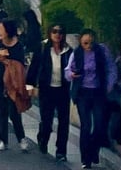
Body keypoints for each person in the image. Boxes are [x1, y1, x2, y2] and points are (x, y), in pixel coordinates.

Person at [65, 28, 118, 169]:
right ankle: (86, 159)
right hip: (83, 92)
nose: (89, 46)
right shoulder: (77, 53)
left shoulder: (102, 51)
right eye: (85, 43)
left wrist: (109, 86)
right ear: (81, 43)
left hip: (98, 91)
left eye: (91, 43)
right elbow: (68, 70)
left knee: (100, 125)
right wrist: (72, 75)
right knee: (86, 125)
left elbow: (111, 68)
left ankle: (93, 149)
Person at [27, 23, 72, 163]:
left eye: (60, 32)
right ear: (50, 33)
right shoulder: (42, 48)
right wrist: (29, 85)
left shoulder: (68, 51)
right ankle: (43, 138)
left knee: (64, 122)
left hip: (63, 90)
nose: (57, 34)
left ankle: (61, 151)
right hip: (47, 90)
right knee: (47, 121)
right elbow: (34, 66)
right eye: (54, 31)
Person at [0, 18, 30, 151]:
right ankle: (3, 140)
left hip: (13, 83)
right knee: (1, 111)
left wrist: (8, 61)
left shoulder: (18, 45)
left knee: (15, 111)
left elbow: (21, 64)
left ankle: (21, 138)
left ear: (8, 30)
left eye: (1, 29)